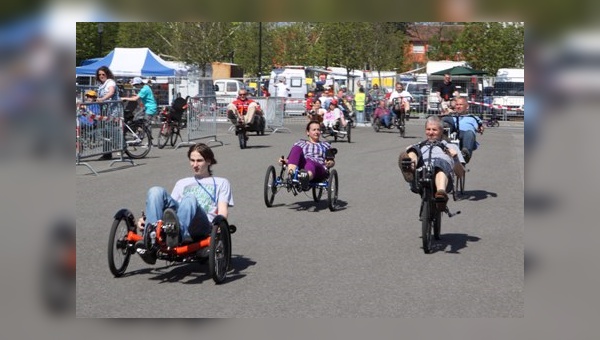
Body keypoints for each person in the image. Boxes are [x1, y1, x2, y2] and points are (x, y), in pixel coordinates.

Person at [135, 143, 234, 264]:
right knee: (155, 191)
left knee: (189, 199)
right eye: (192, 160)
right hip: (179, 220)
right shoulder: (182, 183)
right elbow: (169, 212)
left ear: (209, 161)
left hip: (203, 225)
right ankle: (150, 238)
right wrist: (146, 218)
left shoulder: (221, 182)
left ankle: (177, 235)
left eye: (199, 161)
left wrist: (220, 226)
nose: (195, 165)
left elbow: (223, 210)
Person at [399, 115, 465, 210]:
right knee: (413, 149)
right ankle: (409, 167)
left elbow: (460, 173)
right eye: (428, 129)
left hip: (444, 178)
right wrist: (409, 152)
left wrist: (455, 157)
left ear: (441, 131)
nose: (430, 133)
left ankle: (441, 195)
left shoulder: (452, 147)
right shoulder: (419, 145)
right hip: (420, 176)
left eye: (434, 130)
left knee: (439, 163)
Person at [278, 121, 337, 190]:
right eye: (314, 130)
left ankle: (306, 177)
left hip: (318, 167)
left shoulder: (326, 145)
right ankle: (291, 175)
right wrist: (282, 161)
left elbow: (332, 161)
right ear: (308, 132)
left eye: (318, 130)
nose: (317, 132)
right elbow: (290, 159)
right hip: (302, 166)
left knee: (310, 162)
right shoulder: (300, 143)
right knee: (297, 148)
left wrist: (330, 163)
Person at [444, 97, 484, 163]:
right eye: (457, 105)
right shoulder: (451, 117)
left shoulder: (473, 118)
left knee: (469, 133)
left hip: (466, 137)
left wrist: (481, 128)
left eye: (461, 105)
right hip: (453, 135)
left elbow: (480, 126)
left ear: (467, 107)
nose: (458, 107)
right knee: (446, 122)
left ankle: (466, 154)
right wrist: (446, 114)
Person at [95, 66, 120, 160]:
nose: (101, 76)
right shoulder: (101, 85)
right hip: (105, 111)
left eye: (103, 74)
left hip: (113, 110)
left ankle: (122, 146)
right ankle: (107, 153)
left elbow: (111, 92)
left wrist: (102, 99)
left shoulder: (110, 82)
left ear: (107, 74)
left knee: (110, 129)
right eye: (99, 74)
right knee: (105, 132)